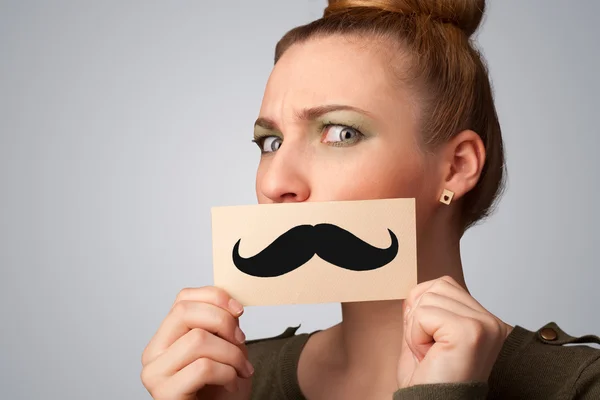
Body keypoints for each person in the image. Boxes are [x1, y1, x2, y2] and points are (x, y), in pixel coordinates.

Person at [140, 0, 600, 399]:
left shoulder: (577, 387)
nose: (276, 181)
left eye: (341, 133)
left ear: (457, 166)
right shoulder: (232, 380)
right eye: (271, 142)